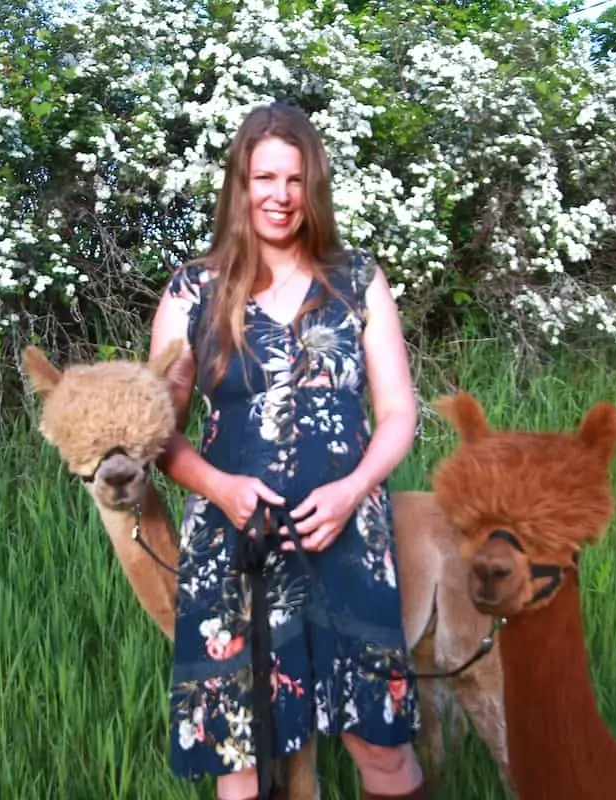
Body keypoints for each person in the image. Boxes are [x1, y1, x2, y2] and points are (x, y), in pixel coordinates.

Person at [148, 102, 427, 800]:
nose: (279, 195)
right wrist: (218, 487)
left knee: (382, 743)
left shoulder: (358, 280)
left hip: (347, 536)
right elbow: (161, 432)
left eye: (294, 180)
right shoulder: (191, 291)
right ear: (239, 186)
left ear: (314, 186)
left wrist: (353, 489)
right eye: (263, 178)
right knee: (241, 763)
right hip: (232, 545)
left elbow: (397, 414)